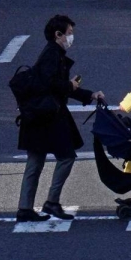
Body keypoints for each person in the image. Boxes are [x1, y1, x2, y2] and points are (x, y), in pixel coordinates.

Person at [16, 14, 104, 223]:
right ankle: (51, 202)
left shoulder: (53, 53)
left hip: (37, 116)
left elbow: (58, 84)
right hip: (48, 116)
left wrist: (87, 94)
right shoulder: (52, 55)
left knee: (35, 161)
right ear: (58, 35)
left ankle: (25, 208)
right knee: (66, 156)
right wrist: (71, 87)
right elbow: (51, 84)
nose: (71, 38)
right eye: (69, 33)